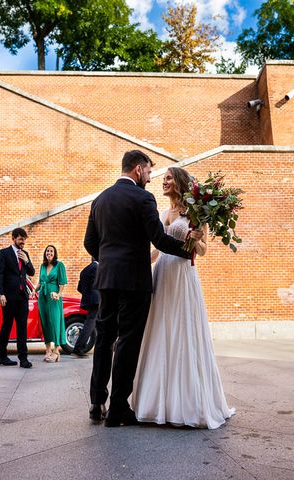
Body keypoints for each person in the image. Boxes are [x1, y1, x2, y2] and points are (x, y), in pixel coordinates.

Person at [83, 150, 203, 427]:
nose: (150, 177)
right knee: (127, 340)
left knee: (103, 339)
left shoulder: (100, 200)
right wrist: (187, 250)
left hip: (107, 280)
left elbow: (90, 243)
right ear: (138, 170)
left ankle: (96, 402)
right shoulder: (143, 198)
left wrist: (110, 260)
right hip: (134, 282)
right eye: (149, 171)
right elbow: (159, 239)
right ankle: (117, 409)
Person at [132, 166, 235, 428]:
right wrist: (139, 263)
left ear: (179, 182)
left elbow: (202, 252)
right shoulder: (165, 214)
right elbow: (159, 249)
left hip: (182, 274)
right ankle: (157, 401)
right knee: (160, 330)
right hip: (163, 273)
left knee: (183, 331)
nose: (163, 182)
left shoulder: (195, 213)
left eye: (168, 178)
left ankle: (189, 403)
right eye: (163, 178)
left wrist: (195, 238)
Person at [0, 227, 36, 369]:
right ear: (13, 239)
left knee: (22, 328)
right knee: (6, 326)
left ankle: (23, 359)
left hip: (22, 297)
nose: (23, 242)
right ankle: (1, 356)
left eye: (24, 240)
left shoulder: (25, 254)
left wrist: (27, 261)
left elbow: (31, 272)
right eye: (20, 239)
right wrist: (0, 294)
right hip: (8, 297)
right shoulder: (4, 253)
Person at [36, 244, 67, 363]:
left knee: (55, 322)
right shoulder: (42, 266)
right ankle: (48, 350)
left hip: (54, 298)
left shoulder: (59, 265)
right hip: (42, 298)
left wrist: (59, 295)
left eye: (51, 251)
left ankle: (56, 351)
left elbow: (62, 283)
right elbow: (40, 282)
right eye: (47, 251)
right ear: (45, 253)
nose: (49, 253)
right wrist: (34, 291)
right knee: (45, 323)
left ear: (54, 254)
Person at [71, 257, 99, 358]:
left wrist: (88, 295)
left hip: (90, 301)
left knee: (94, 323)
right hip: (97, 301)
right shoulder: (97, 268)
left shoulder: (85, 270)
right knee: (90, 324)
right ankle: (78, 348)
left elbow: (79, 287)